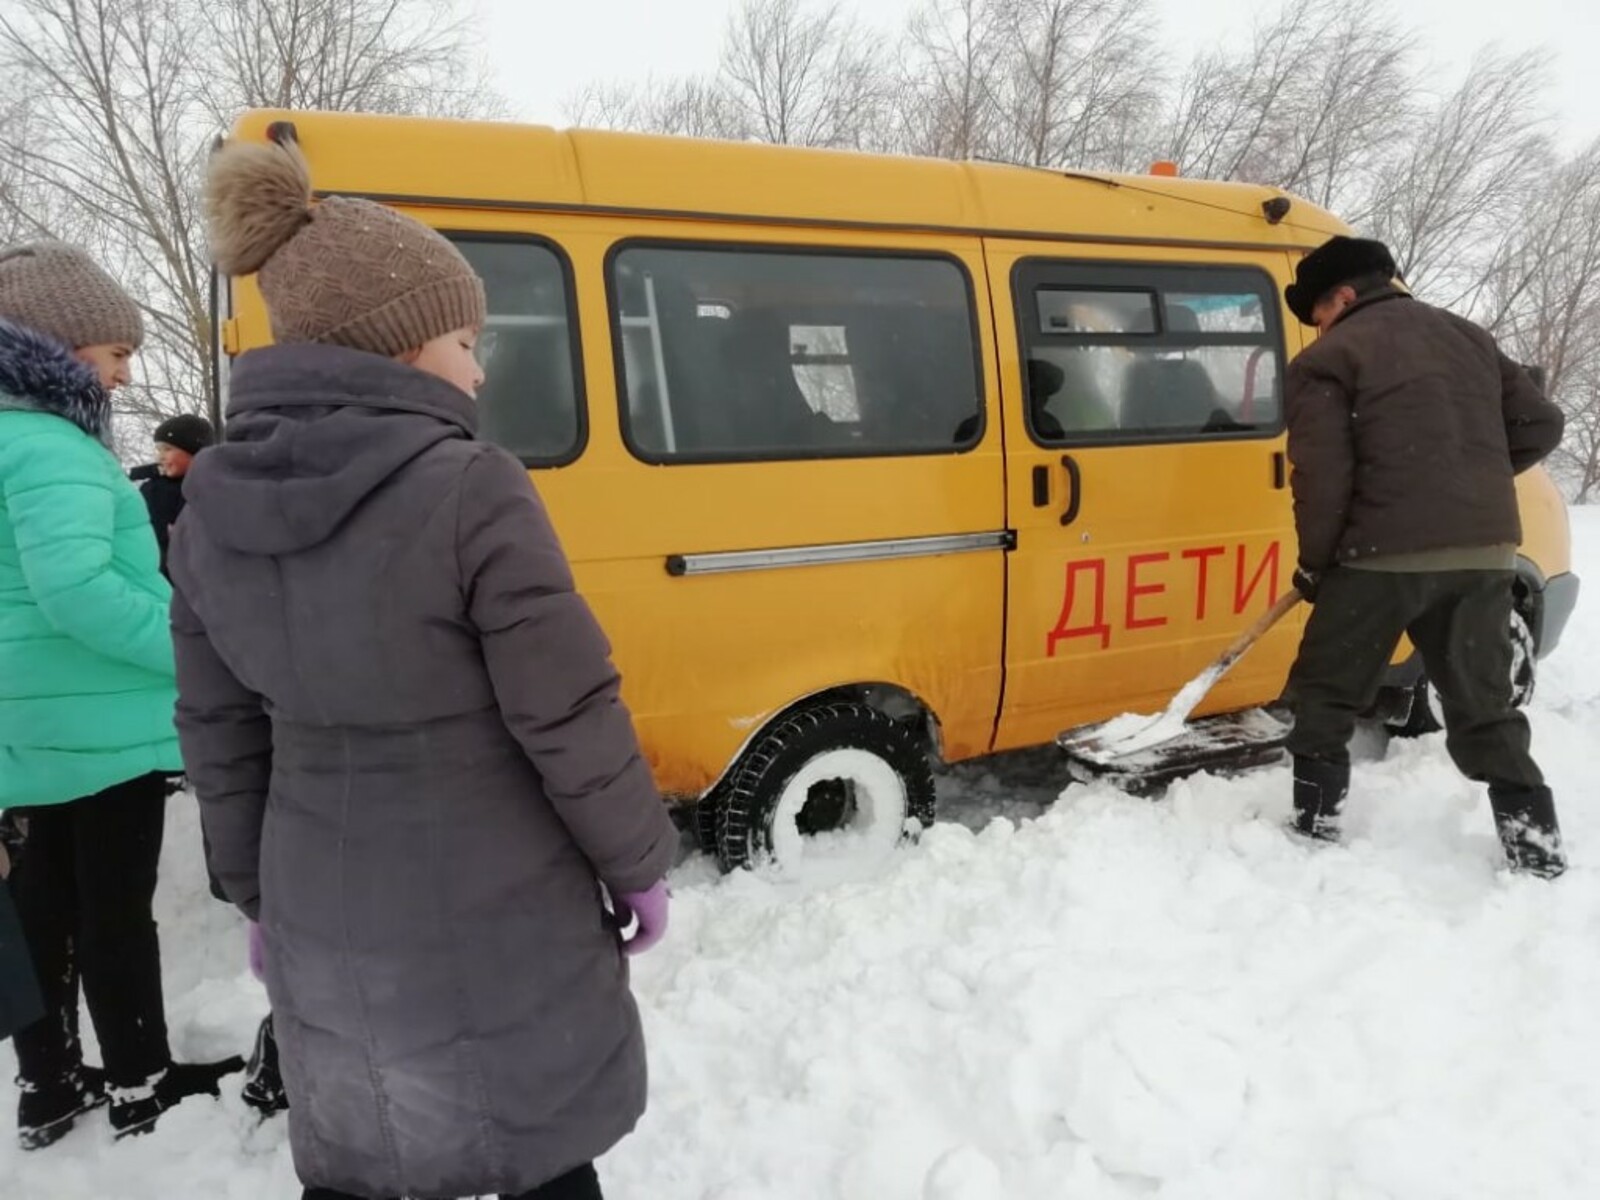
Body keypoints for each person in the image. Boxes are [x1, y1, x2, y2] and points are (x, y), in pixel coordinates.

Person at [177, 138, 678, 1200]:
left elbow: (220, 735)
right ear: (396, 348)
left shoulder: (209, 508)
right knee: (534, 1145)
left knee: (369, 1144)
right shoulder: (472, 487)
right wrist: (634, 862)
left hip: (319, 883)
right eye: (464, 336)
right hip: (501, 884)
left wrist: (257, 896)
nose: (480, 365)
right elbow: (568, 710)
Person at [0, 242, 243, 1150]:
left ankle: (50, 1084)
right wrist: (192, 650)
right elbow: (77, 593)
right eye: (112, 352)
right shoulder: (53, 444)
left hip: (36, 718)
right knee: (112, 911)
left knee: (44, 906)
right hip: (100, 718)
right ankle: (142, 1078)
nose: (126, 370)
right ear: (59, 347)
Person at [1281, 235, 1567, 878]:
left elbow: (1321, 478)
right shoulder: (1468, 337)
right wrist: (1472, 477)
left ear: (1345, 296)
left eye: (1317, 311)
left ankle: (1313, 829)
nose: (1317, 327)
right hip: (1484, 555)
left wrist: (1318, 563)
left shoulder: (1330, 358)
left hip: (1378, 559)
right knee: (1485, 702)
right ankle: (1536, 849)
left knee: (1326, 691)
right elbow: (1542, 425)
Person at [129, 413, 215, 578]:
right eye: (158, 450)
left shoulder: (211, 489)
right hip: (156, 576)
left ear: (195, 452)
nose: (160, 456)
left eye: (168, 449)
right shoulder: (151, 489)